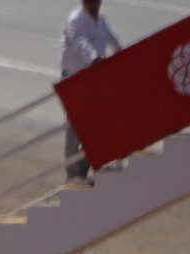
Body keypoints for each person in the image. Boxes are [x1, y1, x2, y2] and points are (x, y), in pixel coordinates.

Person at [59, 0, 122, 180]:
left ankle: (87, 167)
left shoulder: (101, 21)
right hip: (75, 79)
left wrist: (123, 54)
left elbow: (113, 40)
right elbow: (80, 43)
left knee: (95, 126)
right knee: (75, 126)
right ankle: (73, 174)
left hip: (94, 80)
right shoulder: (76, 19)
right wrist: (94, 58)